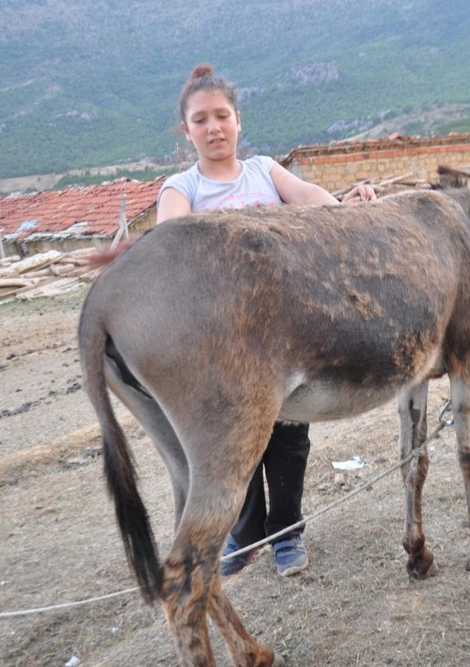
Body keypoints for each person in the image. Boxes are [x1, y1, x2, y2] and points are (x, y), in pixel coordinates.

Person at [157, 64, 376, 578]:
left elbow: (311, 200)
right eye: (200, 119)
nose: (213, 127)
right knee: (239, 442)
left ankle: (287, 534)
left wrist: (350, 209)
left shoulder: (264, 172)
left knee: (290, 439)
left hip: (288, 339)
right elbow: (170, 243)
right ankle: (247, 531)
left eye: (222, 116)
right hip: (224, 343)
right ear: (186, 130)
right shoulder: (180, 188)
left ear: (237, 120)